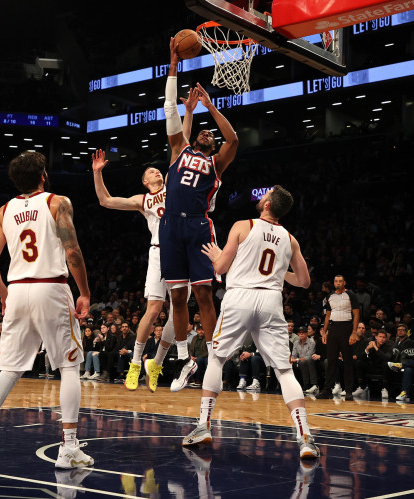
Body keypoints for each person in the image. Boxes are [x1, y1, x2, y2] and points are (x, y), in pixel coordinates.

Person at [0, 150, 93, 470]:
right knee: (69, 367)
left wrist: (4, 295)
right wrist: (84, 292)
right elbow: (72, 250)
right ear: (43, 175)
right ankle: (69, 447)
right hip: (51, 287)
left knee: (10, 369)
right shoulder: (58, 202)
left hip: (17, 290)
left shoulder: (4, 210)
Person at [182, 186, 319, 460]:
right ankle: (305, 438)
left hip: (240, 297)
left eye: (264, 196)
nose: (260, 198)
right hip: (271, 300)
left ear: (268, 204)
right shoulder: (290, 239)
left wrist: (215, 256)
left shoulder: (243, 226)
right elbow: (304, 281)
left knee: (217, 357)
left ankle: (202, 426)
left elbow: (220, 268)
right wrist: (280, 274)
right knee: (284, 370)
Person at [160, 36, 239, 392]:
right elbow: (170, 109)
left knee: (204, 295)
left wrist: (210, 107)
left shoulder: (216, 162)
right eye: (203, 133)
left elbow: (233, 140)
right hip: (169, 227)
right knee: (177, 297)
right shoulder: (178, 149)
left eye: (210, 134)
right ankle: (184, 360)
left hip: (198, 227)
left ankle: (214, 358)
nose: (207, 135)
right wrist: (174, 66)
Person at [92, 138, 199, 391]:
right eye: (151, 171)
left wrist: (189, 115)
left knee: (177, 311)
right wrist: (97, 174)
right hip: (158, 253)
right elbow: (105, 201)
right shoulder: (142, 200)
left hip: (182, 252)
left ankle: (157, 362)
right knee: (153, 309)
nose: (156, 171)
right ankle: (135, 364)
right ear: (145, 181)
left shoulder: (173, 186)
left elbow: (178, 147)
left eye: (157, 169)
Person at [316, 276, 360, 400]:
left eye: (340, 281)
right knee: (331, 361)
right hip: (333, 328)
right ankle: (327, 390)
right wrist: (324, 332)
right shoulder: (330, 296)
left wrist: (354, 332)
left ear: (344, 282)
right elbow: (327, 316)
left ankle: (349, 391)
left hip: (347, 327)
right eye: (336, 281)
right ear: (334, 283)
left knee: (347, 361)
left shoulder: (351, 294)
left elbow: (356, 314)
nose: (338, 283)